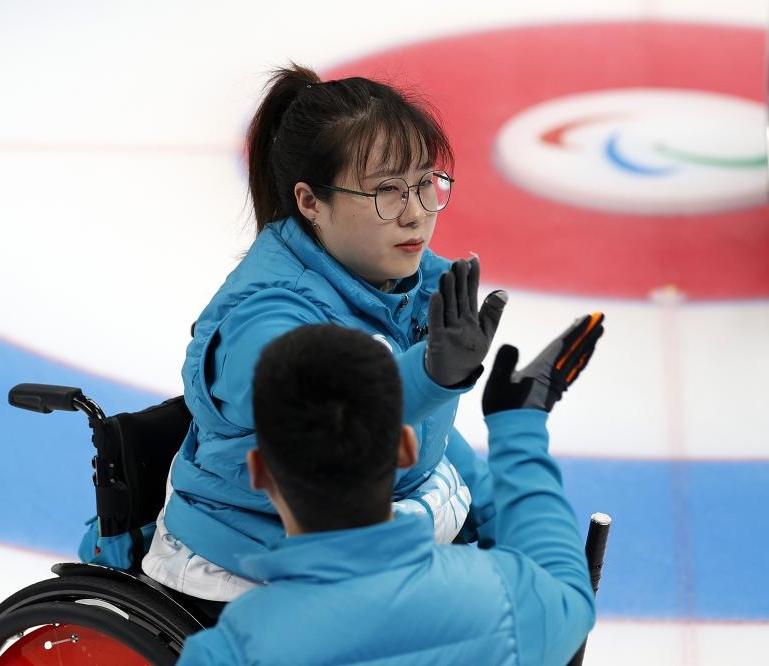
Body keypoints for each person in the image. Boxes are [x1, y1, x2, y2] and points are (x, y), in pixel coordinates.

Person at [142, 63, 508, 603]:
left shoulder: (406, 282)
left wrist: (504, 516)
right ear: (311, 202)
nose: (415, 214)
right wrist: (429, 375)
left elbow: (428, 439)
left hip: (370, 539)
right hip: (259, 565)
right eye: (386, 191)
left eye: (423, 184)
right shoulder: (263, 318)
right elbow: (322, 413)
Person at [177, 317, 604, 665]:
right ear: (405, 449)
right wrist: (519, 428)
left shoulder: (228, 652)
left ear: (259, 471)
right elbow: (569, 590)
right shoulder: (507, 600)